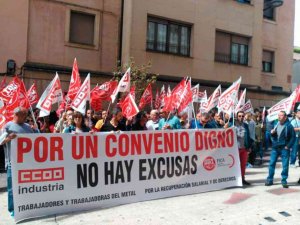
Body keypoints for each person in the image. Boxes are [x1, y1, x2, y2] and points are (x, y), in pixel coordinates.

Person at [0, 107, 39, 216]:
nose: (26, 117)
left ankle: (26, 207)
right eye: (24, 115)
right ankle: (12, 209)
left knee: (27, 187)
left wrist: (35, 130)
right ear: (17, 114)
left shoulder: (27, 127)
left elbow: (38, 139)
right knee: (12, 188)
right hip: (12, 163)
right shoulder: (7, 126)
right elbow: (0, 141)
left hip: (27, 163)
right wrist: (9, 138)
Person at [265, 111, 296, 188]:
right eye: (278, 115)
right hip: (275, 148)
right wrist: (272, 133)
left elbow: (293, 137)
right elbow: (274, 136)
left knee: (285, 165)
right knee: (272, 164)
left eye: (281, 115)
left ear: (285, 117)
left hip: (284, 148)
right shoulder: (276, 124)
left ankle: (284, 180)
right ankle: (270, 180)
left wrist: (288, 146)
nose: (279, 117)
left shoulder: (289, 126)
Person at [234, 111, 253, 186]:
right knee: (236, 165)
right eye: (239, 116)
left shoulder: (246, 125)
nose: (241, 117)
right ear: (236, 116)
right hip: (235, 149)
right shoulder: (233, 124)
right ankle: (236, 180)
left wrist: (249, 146)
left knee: (243, 165)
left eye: (242, 116)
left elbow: (248, 136)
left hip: (244, 148)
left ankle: (242, 179)